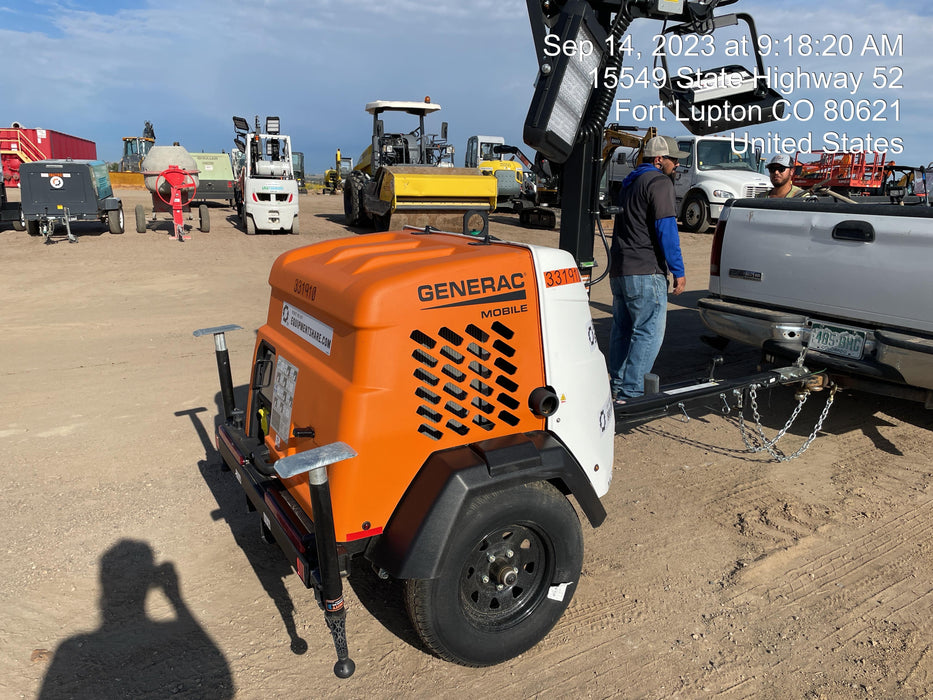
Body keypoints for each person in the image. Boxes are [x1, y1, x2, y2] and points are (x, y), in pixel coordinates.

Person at [608, 135, 688, 401]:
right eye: (674, 160)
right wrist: (678, 270)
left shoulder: (630, 183)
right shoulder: (659, 182)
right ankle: (632, 393)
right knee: (648, 332)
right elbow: (667, 229)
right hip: (645, 270)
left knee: (623, 330)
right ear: (659, 160)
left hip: (620, 269)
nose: (677, 165)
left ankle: (617, 386)